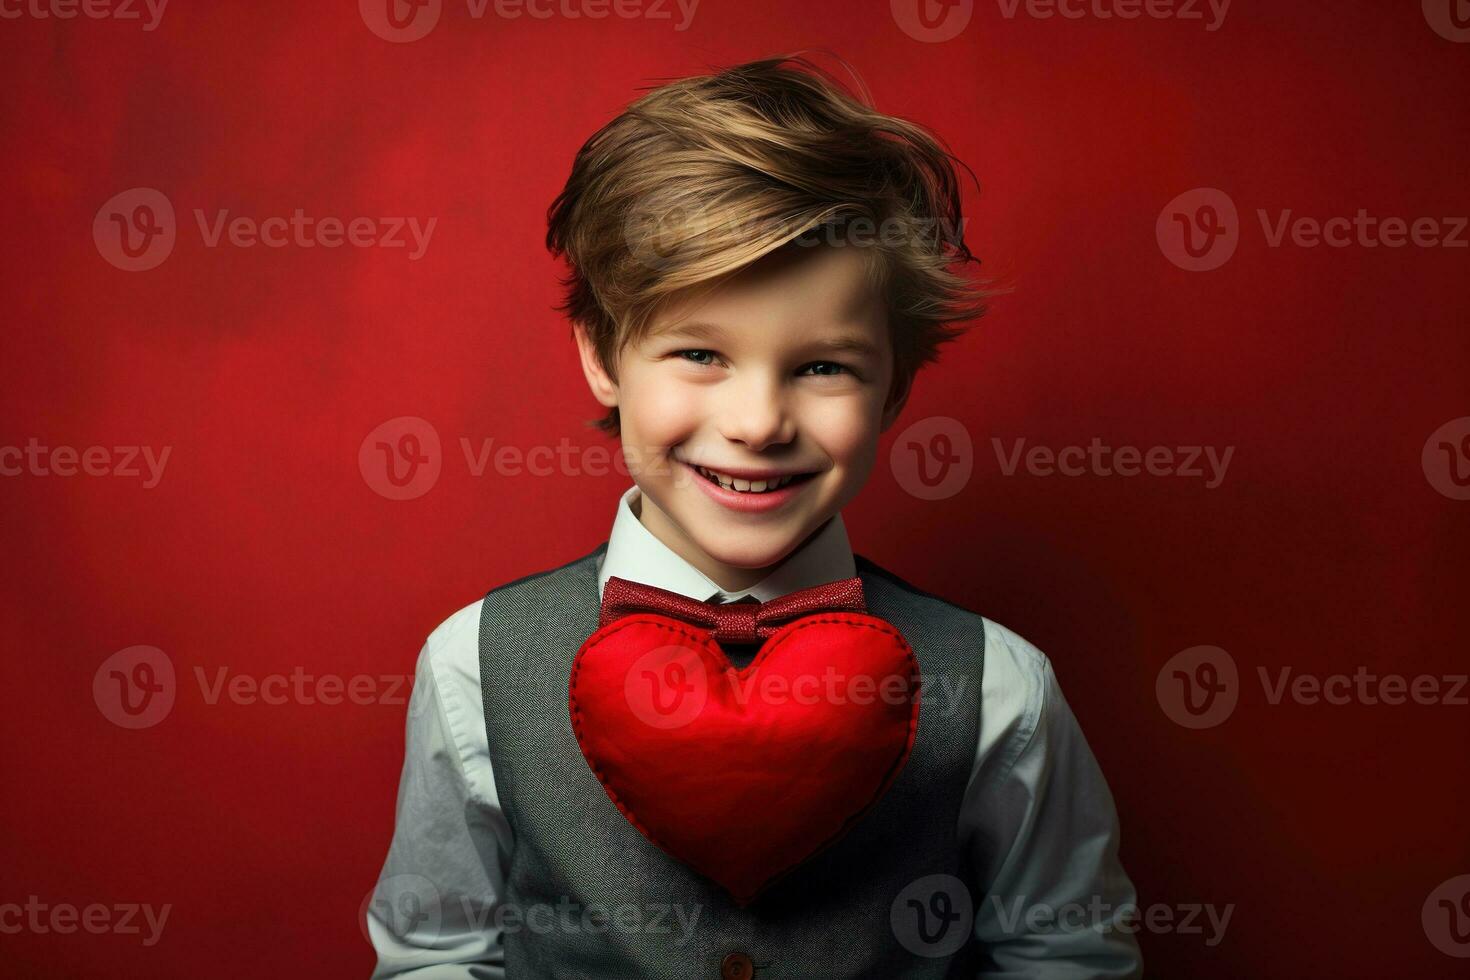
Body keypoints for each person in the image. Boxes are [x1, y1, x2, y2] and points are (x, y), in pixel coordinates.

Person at [367, 54, 1142, 979]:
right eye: (699, 352)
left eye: (823, 367)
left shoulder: (1000, 689)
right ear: (604, 356)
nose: (757, 422)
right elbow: (437, 958)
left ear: (894, 385)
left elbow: (1069, 959)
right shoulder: (474, 665)